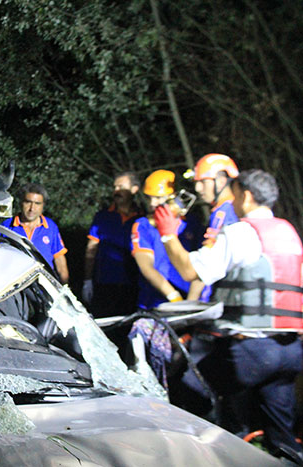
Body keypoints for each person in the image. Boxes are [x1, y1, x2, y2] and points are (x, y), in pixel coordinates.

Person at [155, 169, 303, 460]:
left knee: (185, 393)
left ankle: (193, 457)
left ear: (246, 196)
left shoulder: (241, 233)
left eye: (234, 193)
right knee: (282, 437)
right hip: (291, 352)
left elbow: (190, 271)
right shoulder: (290, 232)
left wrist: (168, 235)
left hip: (252, 351)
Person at [130, 170, 204, 309]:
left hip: (195, 299)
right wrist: (174, 297)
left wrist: (190, 303)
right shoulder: (143, 226)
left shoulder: (192, 224)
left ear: (174, 197)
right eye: (149, 198)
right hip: (156, 302)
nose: (152, 203)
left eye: (158, 198)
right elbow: (146, 267)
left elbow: (204, 264)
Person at [83, 172, 142, 317]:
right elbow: (91, 250)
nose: (116, 191)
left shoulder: (142, 218)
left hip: (133, 285)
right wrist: (87, 280)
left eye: (121, 187)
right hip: (105, 284)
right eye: (115, 187)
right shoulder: (102, 216)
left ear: (134, 189)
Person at [2, 183, 69, 284]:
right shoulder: (7, 226)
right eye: (28, 202)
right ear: (21, 203)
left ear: (43, 205)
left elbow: (59, 258)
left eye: (37, 203)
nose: (32, 208)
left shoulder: (50, 227)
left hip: (44, 287)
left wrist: (65, 287)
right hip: (14, 286)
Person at [190, 153, 240, 246]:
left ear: (221, 181)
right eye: (197, 182)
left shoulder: (229, 212)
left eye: (203, 181)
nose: (197, 188)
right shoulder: (224, 209)